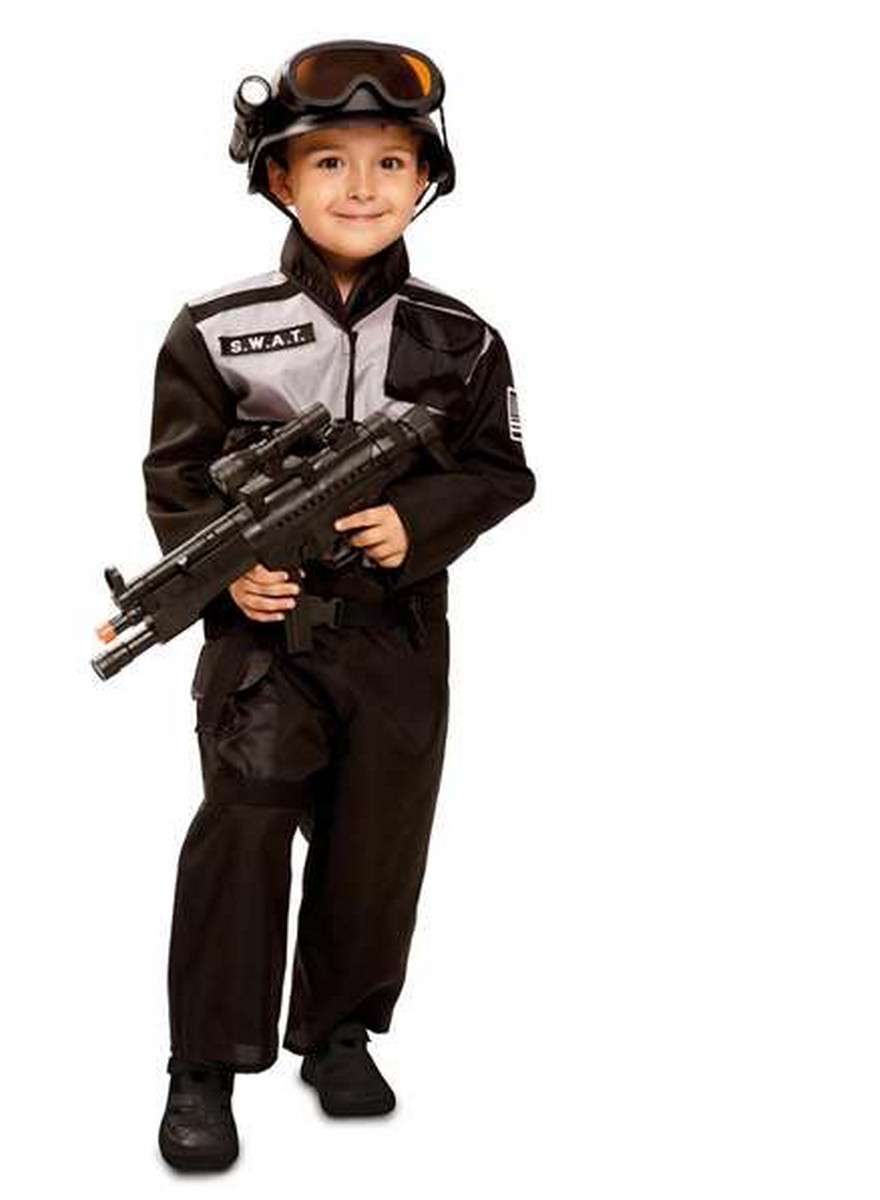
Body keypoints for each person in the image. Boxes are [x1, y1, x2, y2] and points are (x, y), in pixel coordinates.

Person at [141, 39, 535, 1171]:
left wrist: (419, 520)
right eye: (329, 162)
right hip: (262, 644)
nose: (361, 188)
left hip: (396, 638)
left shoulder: (464, 339)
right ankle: (204, 1067)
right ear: (279, 178)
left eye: (390, 162)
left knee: (376, 844)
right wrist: (228, 577)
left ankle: (341, 1032)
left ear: (426, 179)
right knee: (244, 834)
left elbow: (502, 471)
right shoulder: (216, 326)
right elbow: (176, 477)